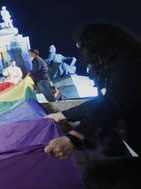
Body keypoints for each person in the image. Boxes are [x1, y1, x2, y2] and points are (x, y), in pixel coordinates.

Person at [44, 23, 141, 188]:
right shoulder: (125, 66)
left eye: (85, 48)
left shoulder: (129, 68)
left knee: (95, 173)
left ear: (101, 46)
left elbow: (111, 104)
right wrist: (64, 115)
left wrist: (73, 138)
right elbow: (105, 101)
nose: (84, 55)